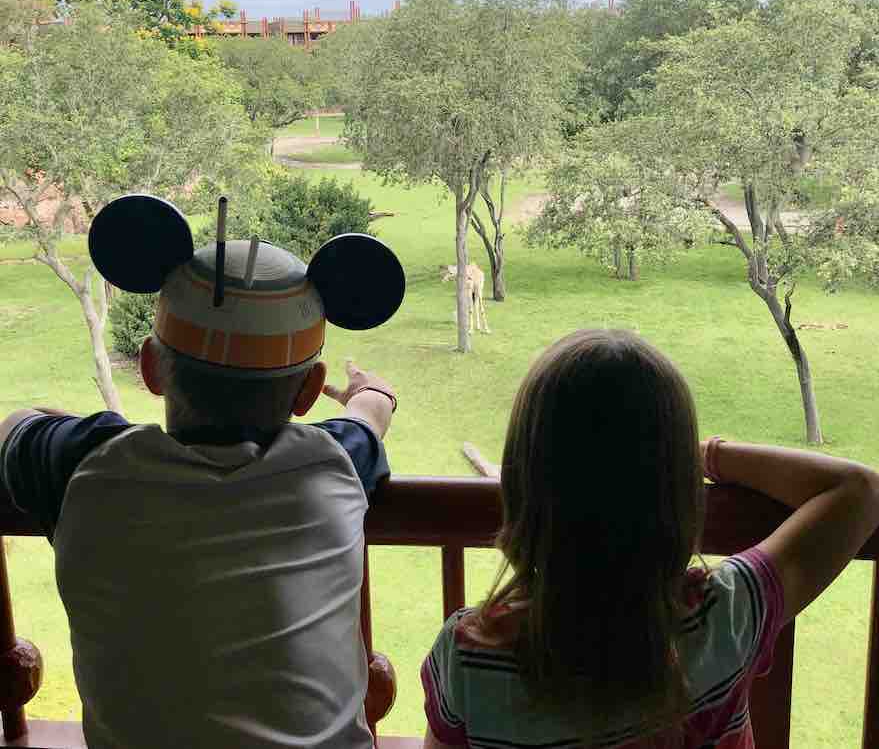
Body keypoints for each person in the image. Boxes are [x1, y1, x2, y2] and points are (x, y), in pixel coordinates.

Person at [0, 220, 400, 749]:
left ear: (150, 368)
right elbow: (370, 412)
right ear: (306, 392)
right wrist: (370, 392)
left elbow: (12, 429)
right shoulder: (332, 463)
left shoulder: (84, 464)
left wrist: (71, 424)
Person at [420, 329, 879, 749]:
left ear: (524, 487)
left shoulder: (467, 655)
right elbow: (858, 490)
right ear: (676, 496)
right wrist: (703, 456)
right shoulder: (721, 619)